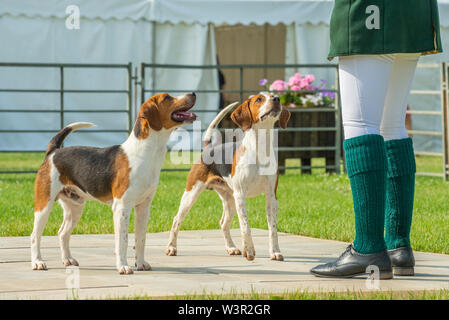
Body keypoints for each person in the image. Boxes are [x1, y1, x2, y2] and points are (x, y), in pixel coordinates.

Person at [310, 0, 443, 279]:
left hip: (370, 11)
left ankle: (368, 247)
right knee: (392, 125)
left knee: (361, 125)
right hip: (414, 12)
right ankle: (398, 247)